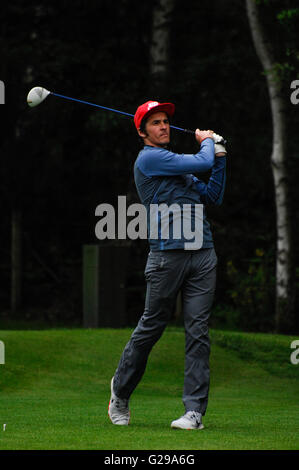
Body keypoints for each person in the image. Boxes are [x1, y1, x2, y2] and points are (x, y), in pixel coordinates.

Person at [108, 100, 227, 430]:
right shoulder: (150, 159)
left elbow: (213, 195)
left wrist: (220, 158)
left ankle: (194, 412)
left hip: (203, 254)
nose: (163, 127)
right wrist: (207, 144)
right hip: (166, 258)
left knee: (198, 332)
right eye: (156, 122)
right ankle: (120, 391)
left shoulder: (179, 168)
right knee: (152, 328)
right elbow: (200, 159)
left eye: (165, 121)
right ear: (143, 132)